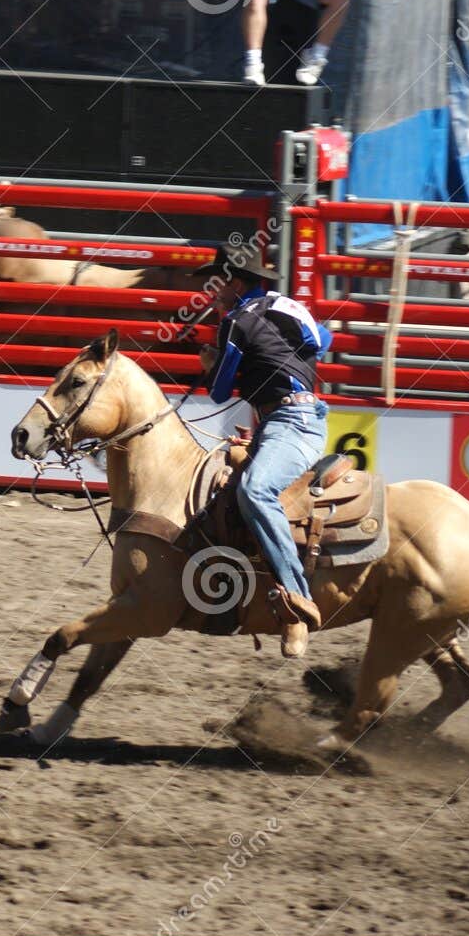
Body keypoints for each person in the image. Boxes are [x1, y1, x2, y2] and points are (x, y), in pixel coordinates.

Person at [197, 248, 334, 659]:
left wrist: (211, 362)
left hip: (289, 424)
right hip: (295, 418)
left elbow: (220, 391)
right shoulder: (290, 307)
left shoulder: (235, 322)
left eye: (216, 285)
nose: (212, 295)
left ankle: (296, 598)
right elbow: (322, 342)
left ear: (236, 283)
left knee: (255, 491)